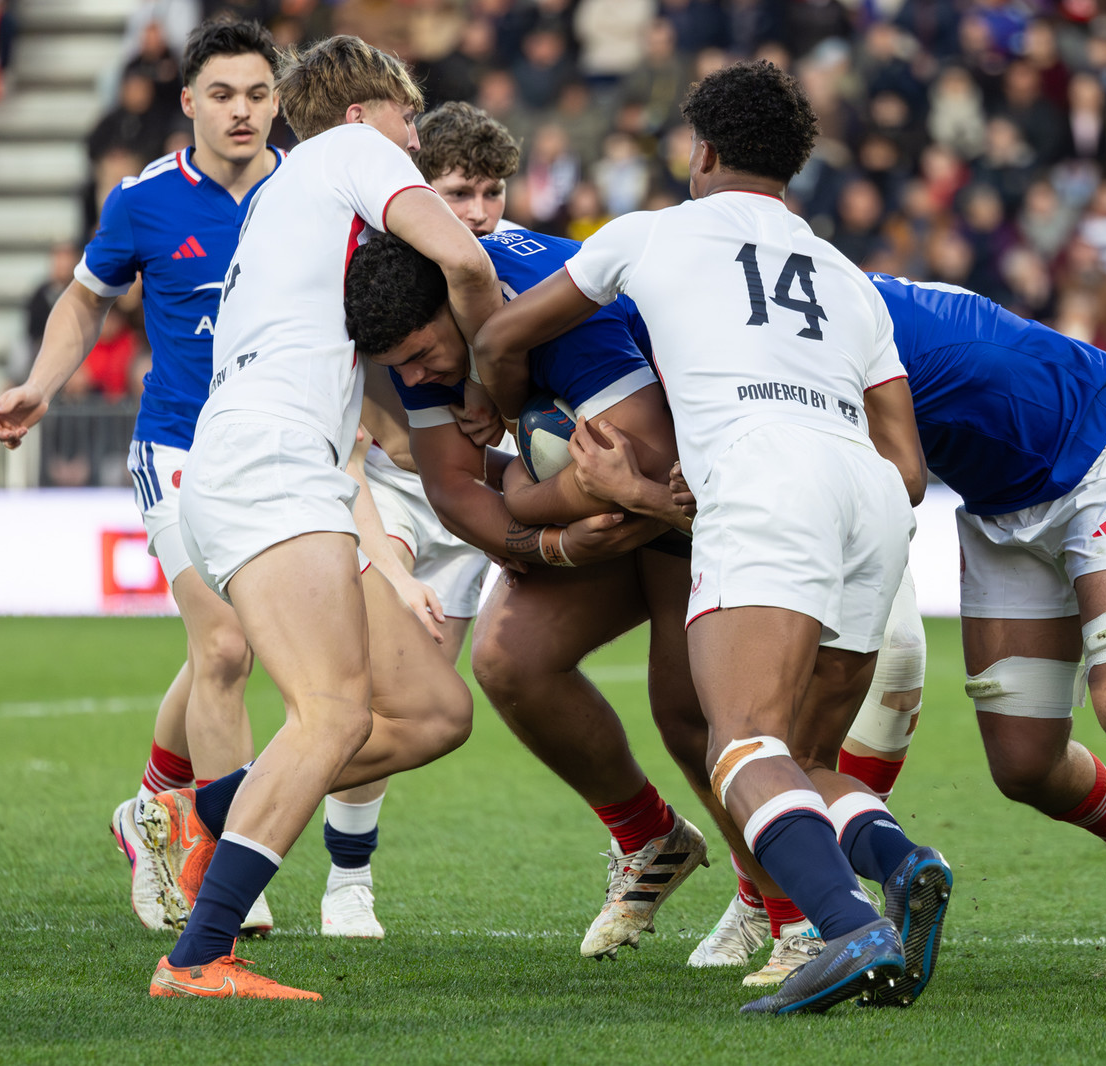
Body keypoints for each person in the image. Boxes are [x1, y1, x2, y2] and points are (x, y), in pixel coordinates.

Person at [587, 271, 1106, 1000]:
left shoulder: (813, 326)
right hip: (998, 510)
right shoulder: (789, 311)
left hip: (1102, 453)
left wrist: (652, 492)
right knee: (1024, 765)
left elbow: (879, 480)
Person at [473, 60, 950, 1015]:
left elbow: (497, 338)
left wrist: (514, 416)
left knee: (738, 743)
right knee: (807, 758)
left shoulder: (648, 234)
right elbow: (908, 467)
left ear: (703, 150)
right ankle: (902, 863)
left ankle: (847, 929)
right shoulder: (846, 275)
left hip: (762, 477)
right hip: (868, 494)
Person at [141, 33, 497, 1000]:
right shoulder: (350, 152)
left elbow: (360, 412)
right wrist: (490, 379)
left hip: (269, 464)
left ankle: (206, 811)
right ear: (359, 113)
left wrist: (398, 513)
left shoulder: (282, 201)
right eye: (407, 120)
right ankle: (198, 957)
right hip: (271, 465)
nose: (415, 141)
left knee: (433, 713)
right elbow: (465, 263)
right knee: (332, 714)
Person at [0, 19, 286, 937]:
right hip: (178, 449)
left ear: (278, 100)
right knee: (224, 649)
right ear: (187, 101)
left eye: (257, 93)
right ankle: (225, 861)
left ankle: (152, 809)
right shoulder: (144, 200)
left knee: (241, 649)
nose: (241, 111)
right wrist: (41, 386)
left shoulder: (308, 193)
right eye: (221, 94)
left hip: (281, 452)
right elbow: (85, 299)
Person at [347, 227, 712, 959]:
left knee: (691, 712)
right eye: (397, 368)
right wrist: (551, 543)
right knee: (509, 658)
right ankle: (650, 837)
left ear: (455, 304)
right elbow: (451, 486)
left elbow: (649, 471)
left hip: (702, 494)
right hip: (637, 499)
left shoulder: (559, 310)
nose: (414, 378)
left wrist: (524, 495)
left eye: (420, 355)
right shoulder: (421, 324)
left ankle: (792, 909)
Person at [310, 98, 524, 941]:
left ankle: (226, 807)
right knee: (371, 695)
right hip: (389, 500)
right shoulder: (365, 289)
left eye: (492, 192)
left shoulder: (513, 276)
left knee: (419, 714)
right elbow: (349, 453)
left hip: (470, 513)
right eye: (457, 193)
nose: (477, 213)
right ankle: (345, 883)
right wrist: (391, 566)